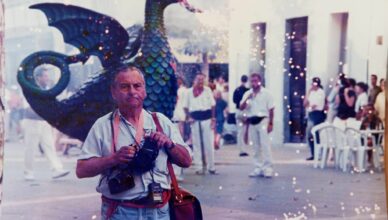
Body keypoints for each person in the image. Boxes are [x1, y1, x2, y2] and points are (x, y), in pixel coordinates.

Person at [76, 65, 192, 219]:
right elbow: (81, 170)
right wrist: (113, 159)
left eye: (137, 86)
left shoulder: (160, 122)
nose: (132, 91)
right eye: (124, 87)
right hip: (121, 211)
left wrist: (169, 144)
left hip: (159, 211)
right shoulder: (103, 125)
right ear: (114, 92)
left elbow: (186, 161)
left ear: (144, 91)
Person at [22, 67, 70, 180]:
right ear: (38, 77)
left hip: (44, 122)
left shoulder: (46, 89)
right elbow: (28, 108)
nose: (47, 78)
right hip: (32, 122)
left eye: (47, 76)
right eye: (45, 76)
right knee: (30, 147)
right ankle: (28, 172)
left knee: (49, 146)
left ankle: (56, 169)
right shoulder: (31, 89)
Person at [240, 73, 274, 178]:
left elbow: (271, 108)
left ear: (260, 81)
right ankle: (258, 167)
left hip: (263, 119)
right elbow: (241, 107)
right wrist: (247, 98)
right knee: (255, 146)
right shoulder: (248, 93)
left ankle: (268, 168)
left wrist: (271, 123)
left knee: (265, 145)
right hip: (252, 120)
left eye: (256, 81)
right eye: (252, 81)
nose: (254, 83)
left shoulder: (266, 93)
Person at [184, 73, 218, 175]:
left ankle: (211, 167)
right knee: (196, 144)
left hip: (207, 119)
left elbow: (212, 105)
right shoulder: (189, 92)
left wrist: (213, 118)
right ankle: (198, 167)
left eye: (202, 80)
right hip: (195, 119)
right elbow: (185, 106)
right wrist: (189, 117)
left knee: (209, 143)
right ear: (195, 80)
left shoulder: (207, 91)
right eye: (199, 80)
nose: (200, 82)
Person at [304, 77, 326, 161]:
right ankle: (313, 153)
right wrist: (308, 92)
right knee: (310, 135)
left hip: (317, 114)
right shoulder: (311, 92)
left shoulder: (321, 92)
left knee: (316, 134)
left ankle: (319, 154)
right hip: (311, 114)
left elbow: (315, 105)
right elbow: (305, 103)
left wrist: (309, 106)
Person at [172, 76, 189, 181]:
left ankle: (178, 173)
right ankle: (175, 173)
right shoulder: (173, 92)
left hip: (179, 121)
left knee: (179, 146)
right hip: (172, 121)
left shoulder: (183, 91)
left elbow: (184, 108)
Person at [233, 75, 250, 156]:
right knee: (245, 131)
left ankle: (241, 149)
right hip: (246, 111)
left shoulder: (237, 90)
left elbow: (234, 100)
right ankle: (244, 148)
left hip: (238, 111)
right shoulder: (248, 90)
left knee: (240, 132)